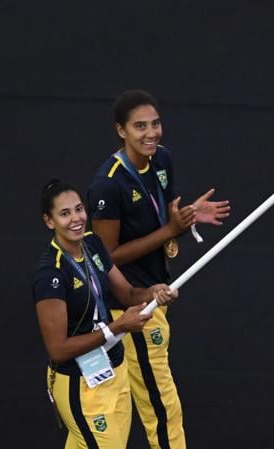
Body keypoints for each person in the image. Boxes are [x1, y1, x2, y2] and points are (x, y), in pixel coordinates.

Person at [87, 90, 230, 449]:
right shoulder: (109, 184)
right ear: (121, 130)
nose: (151, 133)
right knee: (161, 406)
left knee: (141, 403)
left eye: (155, 123)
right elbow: (106, 257)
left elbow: (165, 213)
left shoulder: (162, 159)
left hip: (155, 291)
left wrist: (187, 216)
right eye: (139, 126)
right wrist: (170, 231)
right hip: (130, 306)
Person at [32, 179, 178, 449]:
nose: (76, 219)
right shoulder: (50, 274)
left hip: (114, 370)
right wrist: (117, 327)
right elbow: (58, 349)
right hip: (80, 384)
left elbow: (127, 295)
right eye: (65, 214)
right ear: (49, 221)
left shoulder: (93, 245)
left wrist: (153, 293)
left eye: (78, 209)